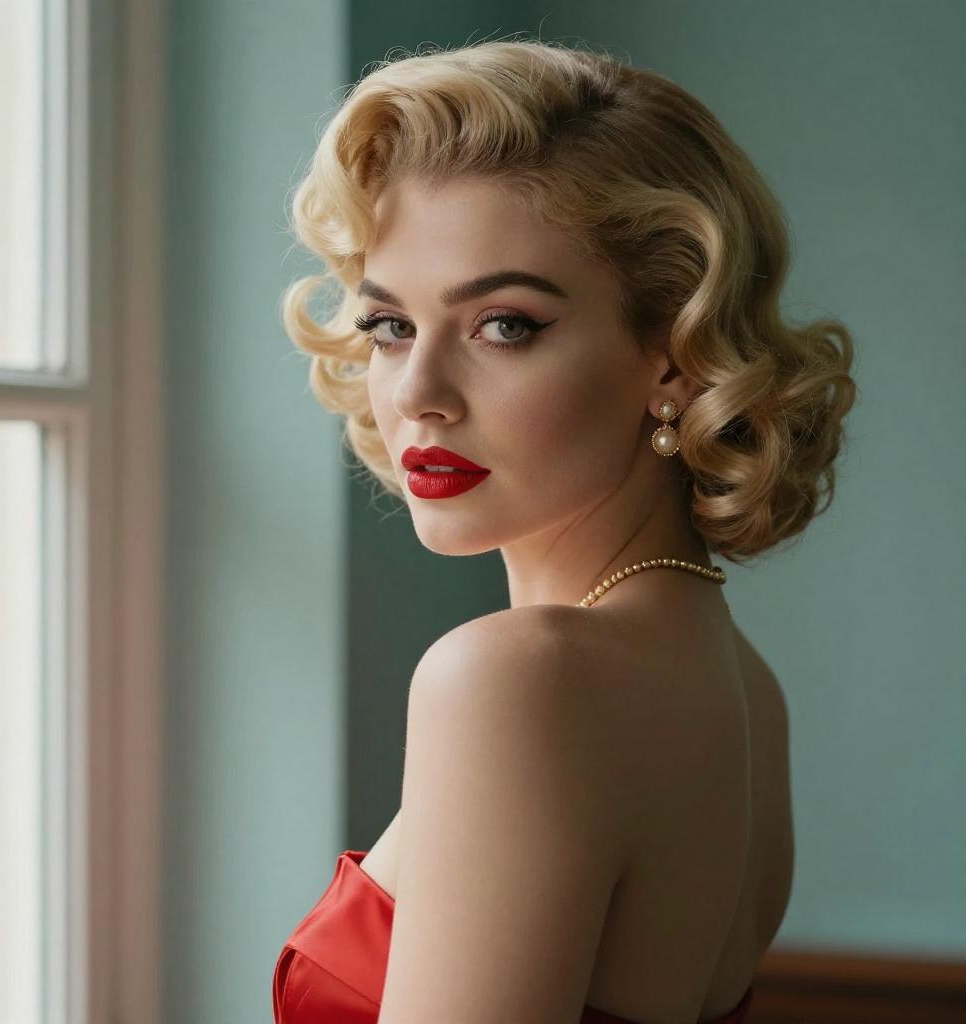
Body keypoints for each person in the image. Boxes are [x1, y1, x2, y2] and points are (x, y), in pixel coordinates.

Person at [273, 36, 857, 1024]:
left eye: (503, 324)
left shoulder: (516, 676)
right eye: (389, 326)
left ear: (674, 353)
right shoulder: (743, 689)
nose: (417, 394)